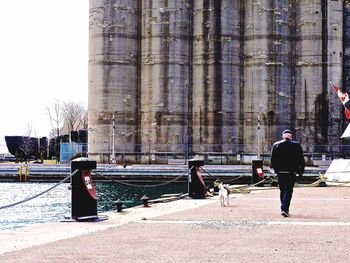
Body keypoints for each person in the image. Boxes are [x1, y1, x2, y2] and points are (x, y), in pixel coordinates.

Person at [270, 129, 305, 217]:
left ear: (283, 136)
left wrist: (274, 169)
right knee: (289, 190)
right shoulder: (296, 145)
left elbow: (272, 159)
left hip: (280, 172)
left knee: (282, 190)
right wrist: (301, 171)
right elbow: (301, 159)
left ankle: (283, 208)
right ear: (291, 137)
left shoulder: (276, 144)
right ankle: (285, 208)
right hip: (291, 171)